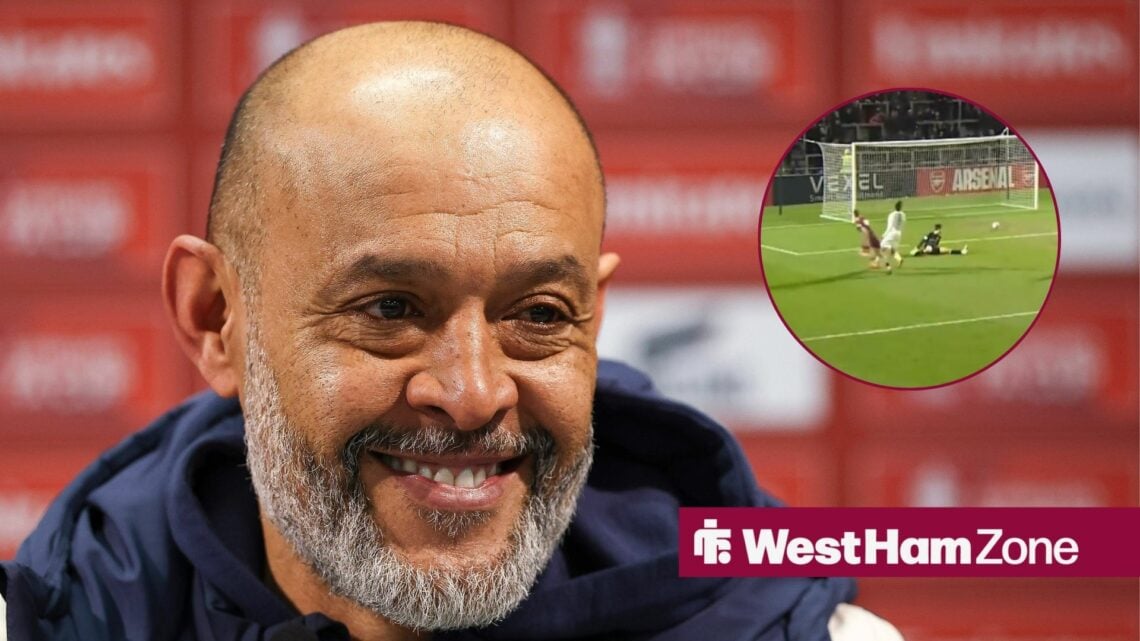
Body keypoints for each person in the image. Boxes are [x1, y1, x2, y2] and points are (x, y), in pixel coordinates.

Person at [0, 22, 899, 641]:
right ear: (216, 319)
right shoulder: (55, 617)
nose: (475, 394)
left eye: (539, 316)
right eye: (391, 309)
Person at [880, 201, 907, 273]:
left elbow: (890, 226)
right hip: (899, 234)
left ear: (895, 207)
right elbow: (903, 224)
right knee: (892, 250)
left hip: (892, 233)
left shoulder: (891, 215)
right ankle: (899, 259)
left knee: (882, 246)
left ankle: (888, 267)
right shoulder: (903, 214)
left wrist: (884, 235)